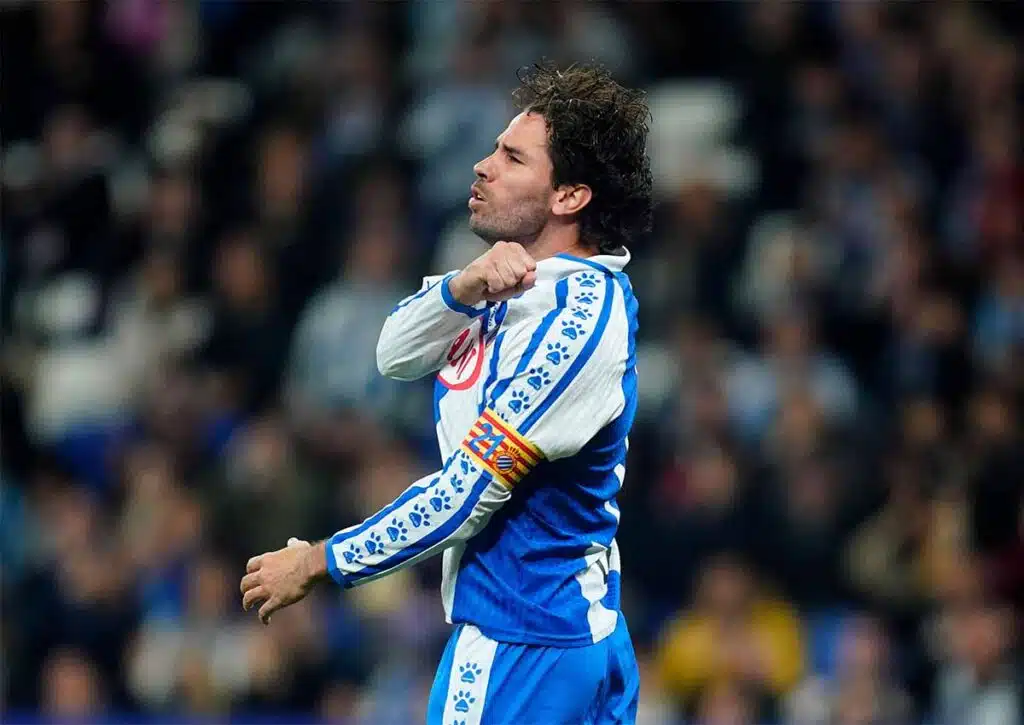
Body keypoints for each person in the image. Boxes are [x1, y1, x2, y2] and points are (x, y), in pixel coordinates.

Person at [240, 60, 653, 724]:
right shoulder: (506, 284)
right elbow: (396, 353)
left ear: (569, 197)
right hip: (566, 637)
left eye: (512, 158)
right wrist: (463, 286)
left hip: (521, 644)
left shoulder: (578, 321)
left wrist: (321, 561)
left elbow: (464, 495)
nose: (483, 166)